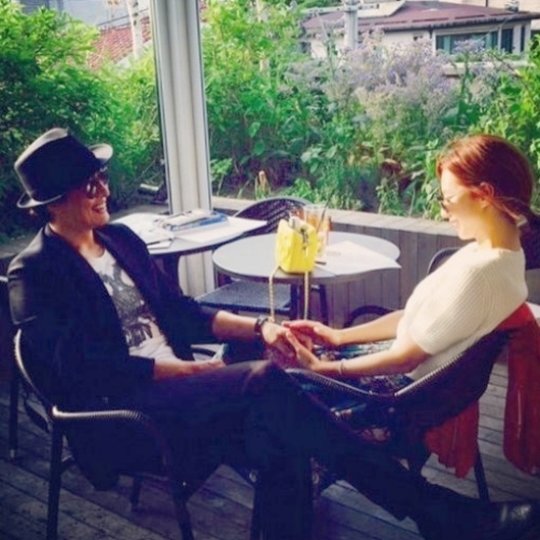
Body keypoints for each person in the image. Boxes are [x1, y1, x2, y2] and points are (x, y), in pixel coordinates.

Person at [7, 128, 540, 540]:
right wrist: (185, 370)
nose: (104, 189)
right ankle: (436, 511)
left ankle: (438, 514)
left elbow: (184, 312)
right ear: (54, 202)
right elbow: (85, 373)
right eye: (89, 185)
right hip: (129, 409)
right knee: (265, 383)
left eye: (102, 177)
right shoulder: (35, 273)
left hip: (186, 387)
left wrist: (263, 326)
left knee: (279, 430)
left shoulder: (120, 239)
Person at [284, 134, 540, 391]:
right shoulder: (503, 256)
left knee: (274, 381)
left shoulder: (479, 274)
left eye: (448, 200)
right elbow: (415, 321)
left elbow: (405, 359)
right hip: (406, 383)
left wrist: (323, 369)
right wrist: (337, 336)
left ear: (484, 195)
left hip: (391, 396)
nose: (443, 213)